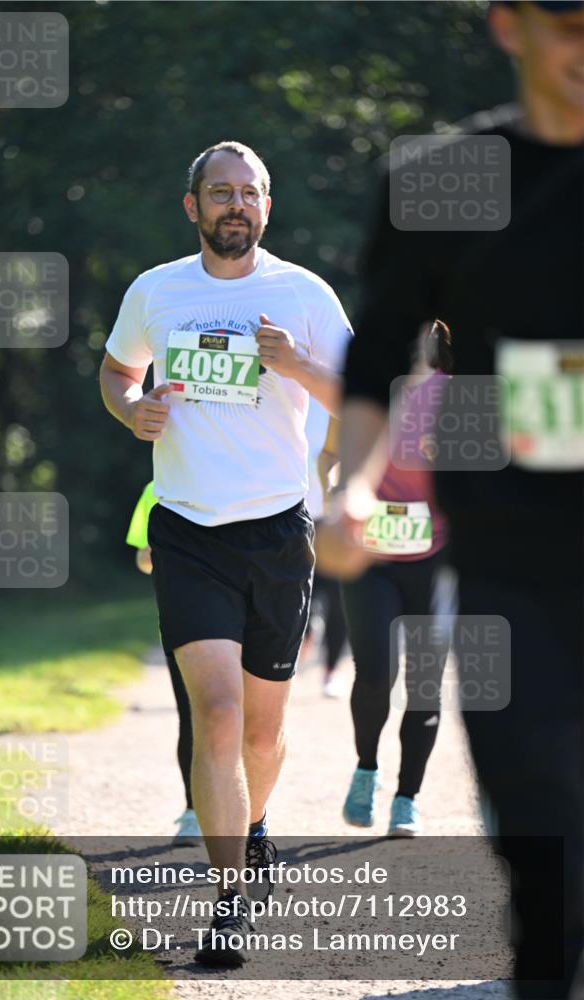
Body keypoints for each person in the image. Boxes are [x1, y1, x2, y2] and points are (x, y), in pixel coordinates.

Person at [328, 2, 584, 996]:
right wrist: (349, 485)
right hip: (507, 558)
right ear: (507, 24)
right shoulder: (442, 180)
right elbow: (377, 348)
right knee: (539, 832)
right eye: (565, 19)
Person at [100, 139, 352, 967]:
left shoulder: (303, 294)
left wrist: (296, 362)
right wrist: (131, 407)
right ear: (193, 206)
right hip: (186, 527)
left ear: (266, 208)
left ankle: (254, 824)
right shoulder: (155, 290)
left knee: (261, 736)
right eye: (219, 192)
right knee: (215, 715)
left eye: (249, 193)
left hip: (277, 532)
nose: (234, 204)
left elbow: (362, 395)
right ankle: (228, 904)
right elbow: (115, 370)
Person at [340, 322, 453, 838]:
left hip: (436, 557)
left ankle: (408, 797)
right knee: (375, 673)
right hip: (372, 555)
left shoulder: (462, 395)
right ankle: (367, 767)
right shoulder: (367, 391)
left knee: (426, 684)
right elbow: (330, 451)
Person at [125, 480, 201, 845]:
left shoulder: (241, 478)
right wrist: (156, 552)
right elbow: (142, 558)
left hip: (245, 622)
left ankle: (247, 815)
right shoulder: (157, 489)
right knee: (192, 717)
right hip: (182, 615)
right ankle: (192, 811)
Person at [302, 406, 349, 698]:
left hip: (334, 516)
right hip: (292, 509)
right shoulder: (285, 380)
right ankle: (306, 633)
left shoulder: (342, 392)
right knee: (302, 587)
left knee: (338, 595)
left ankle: (330, 671)